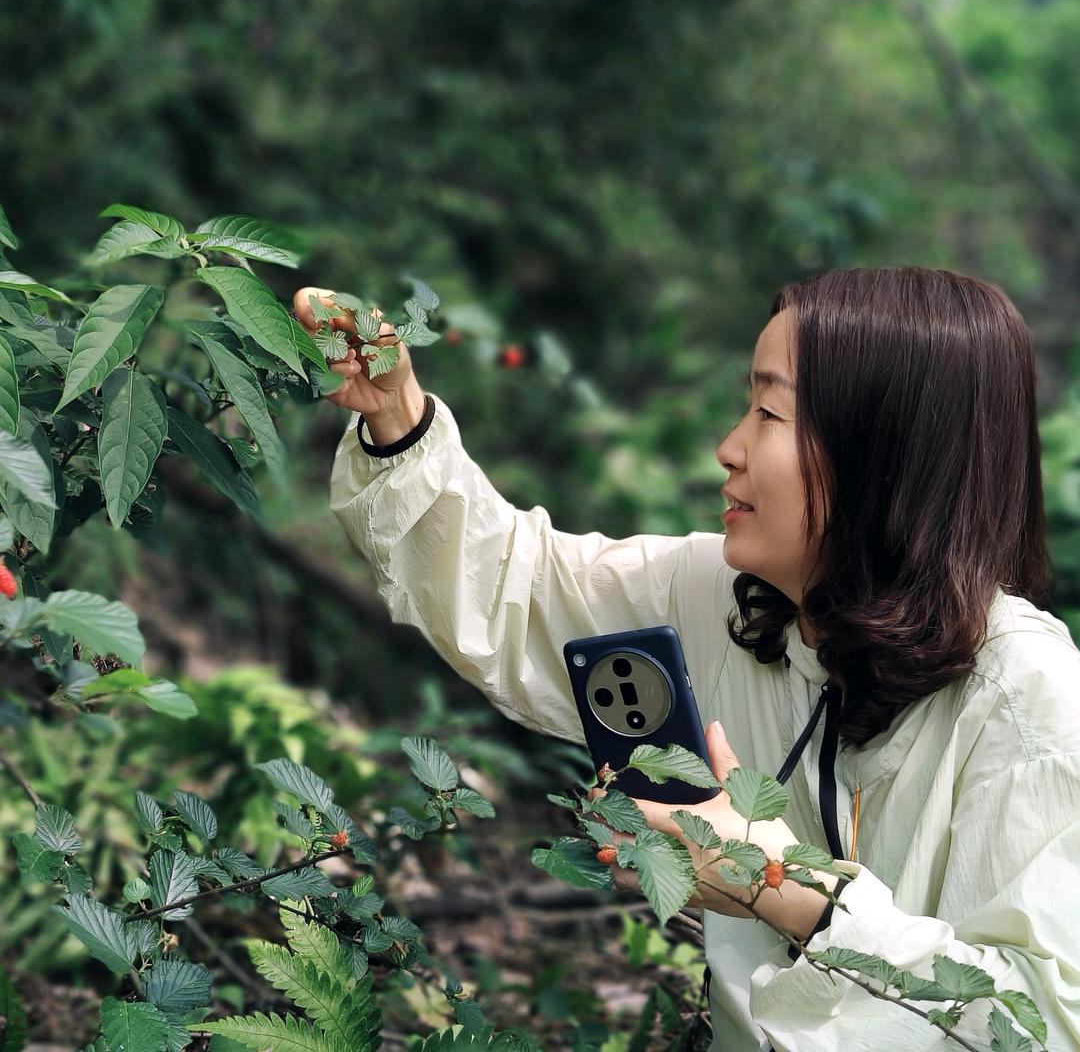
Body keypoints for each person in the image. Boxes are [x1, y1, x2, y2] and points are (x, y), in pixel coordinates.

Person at [299, 267, 1080, 1051]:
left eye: (770, 411)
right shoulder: (730, 600)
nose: (729, 447)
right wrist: (398, 416)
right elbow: (517, 590)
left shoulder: (1023, 695)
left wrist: (795, 896)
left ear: (883, 455)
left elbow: (1040, 1023)